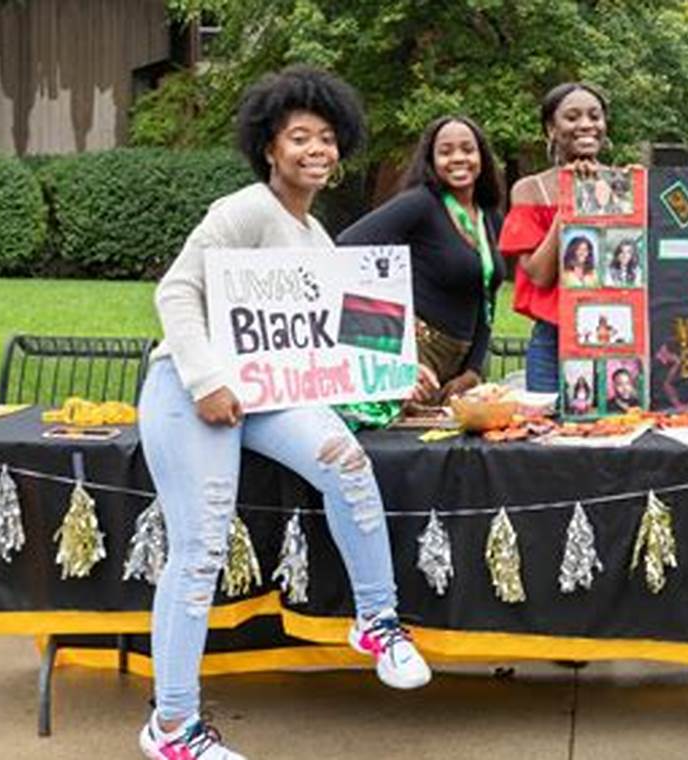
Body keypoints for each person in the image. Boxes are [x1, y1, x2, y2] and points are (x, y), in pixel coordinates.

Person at [137, 67, 433, 760]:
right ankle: (172, 727)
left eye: (328, 139)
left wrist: (398, 365)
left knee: (348, 464)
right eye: (299, 137)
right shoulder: (244, 210)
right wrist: (206, 379)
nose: (316, 150)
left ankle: (377, 622)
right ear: (270, 148)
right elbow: (175, 295)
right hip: (192, 391)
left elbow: (330, 333)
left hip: (265, 393)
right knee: (201, 546)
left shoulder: (316, 238)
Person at [337, 115, 505, 409]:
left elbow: (487, 298)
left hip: (461, 367)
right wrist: (393, 346)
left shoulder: (489, 216)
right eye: (445, 151)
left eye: (467, 149)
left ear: (482, 157)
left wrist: (473, 371)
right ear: (431, 160)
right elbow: (347, 247)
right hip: (416, 359)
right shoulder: (420, 204)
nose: (458, 158)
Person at [499, 82, 610, 392]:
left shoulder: (624, 186)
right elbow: (540, 275)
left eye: (595, 116)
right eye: (572, 117)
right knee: (544, 435)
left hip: (615, 337)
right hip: (553, 339)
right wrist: (572, 201)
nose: (586, 125)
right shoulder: (529, 189)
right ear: (551, 128)